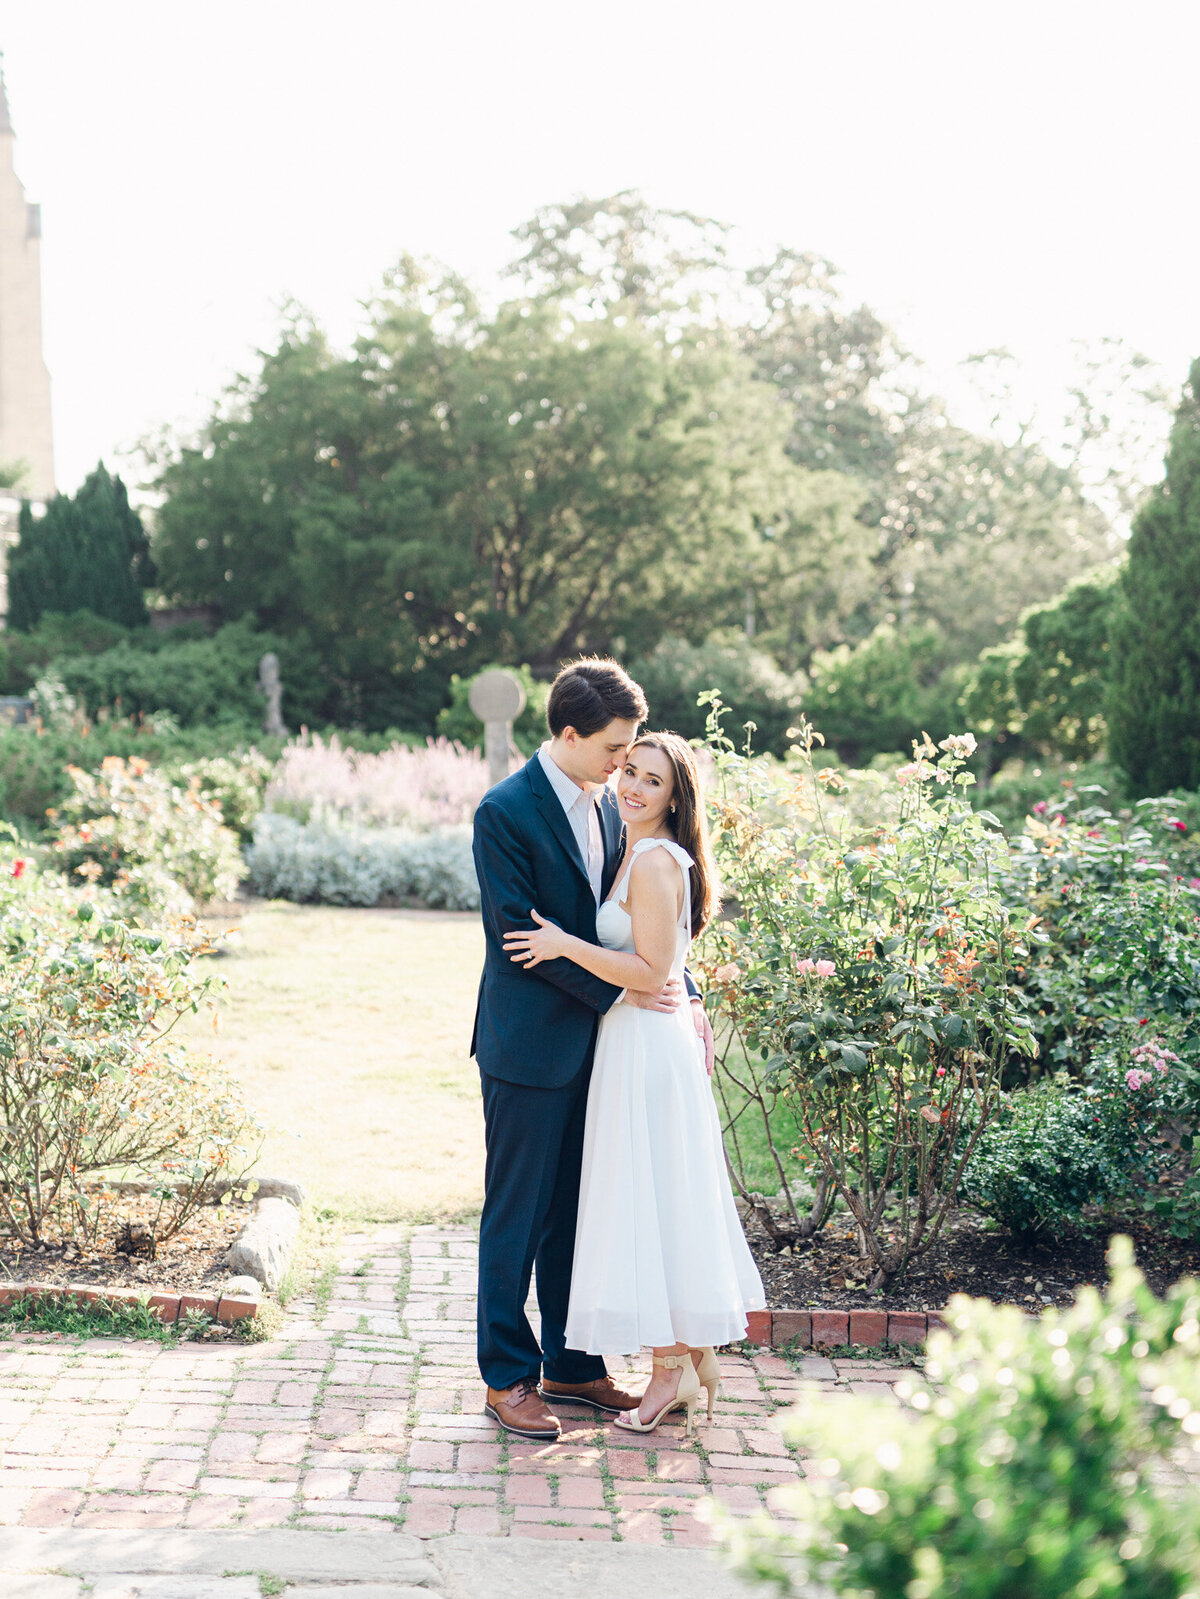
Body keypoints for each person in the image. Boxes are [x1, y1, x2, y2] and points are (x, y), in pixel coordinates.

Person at [471, 660, 713, 1442]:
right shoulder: (504, 812)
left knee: (581, 1213)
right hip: (531, 1048)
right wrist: (630, 990)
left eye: (634, 749)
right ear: (569, 735)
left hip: (608, 1053)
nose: (625, 764)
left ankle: (573, 1363)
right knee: (519, 1214)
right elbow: (520, 941)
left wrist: (683, 990)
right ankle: (507, 1376)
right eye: (615, 748)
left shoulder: (615, 808)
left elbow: (642, 923)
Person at [504, 732, 765, 1435]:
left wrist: (563, 944)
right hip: (632, 1042)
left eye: (653, 779)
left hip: (649, 1049)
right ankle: (685, 1355)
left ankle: (670, 1371)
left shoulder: (652, 859)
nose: (635, 787)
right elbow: (665, 961)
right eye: (631, 772)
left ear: (677, 795)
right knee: (653, 1197)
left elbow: (652, 971)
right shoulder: (634, 845)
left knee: (657, 1201)